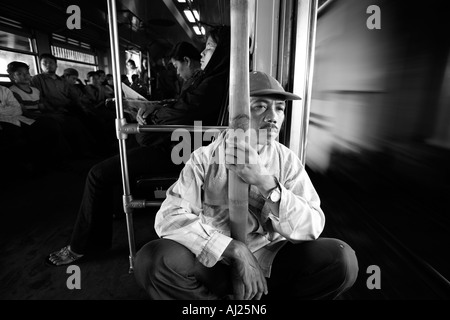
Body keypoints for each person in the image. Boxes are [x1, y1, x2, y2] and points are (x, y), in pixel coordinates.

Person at [133, 71, 359, 300]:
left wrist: (266, 183)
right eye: (260, 106)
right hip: (215, 261)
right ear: (236, 112)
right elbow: (169, 218)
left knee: (342, 260)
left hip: (269, 259)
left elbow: (311, 227)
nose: (273, 117)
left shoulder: (287, 161)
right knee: (152, 260)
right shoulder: (204, 158)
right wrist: (235, 249)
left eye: (279, 108)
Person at [46, 27, 231, 266]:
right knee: (118, 158)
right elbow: (182, 109)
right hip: (183, 142)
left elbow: (183, 112)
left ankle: (83, 246)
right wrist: (155, 112)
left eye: (209, 47)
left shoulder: (214, 83)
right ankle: (106, 213)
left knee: (97, 174)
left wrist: (153, 116)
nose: (203, 53)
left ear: (222, 52)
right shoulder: (212, 78)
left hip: (182, 150)